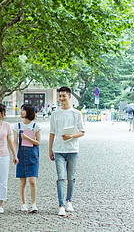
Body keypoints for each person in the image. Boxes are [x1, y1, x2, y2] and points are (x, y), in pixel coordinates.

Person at [49, 87, 85, 216]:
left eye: (63, 96)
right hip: (58, 149)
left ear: (70, 97)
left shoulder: (76, 113)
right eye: (60, 96)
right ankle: (61, 205)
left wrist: (71, 136)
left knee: (71, 178)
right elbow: (52, 132)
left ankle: (69, 201)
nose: (61, 99)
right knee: (61, 178)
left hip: (72, 149)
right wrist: (50, 149)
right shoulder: (55, 114)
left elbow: (82, 132)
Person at [13, 104, 41, 213]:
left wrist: (27, 138)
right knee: (22, 181)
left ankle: (33, 204)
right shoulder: (17, 126)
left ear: (28, 112)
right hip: (21, 155)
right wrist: (15, 155)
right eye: (21, 110)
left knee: (33, 180)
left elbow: (38, 142)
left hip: (33, 155)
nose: (21, 112)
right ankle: (23, 203)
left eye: (23, 110)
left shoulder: (36, 126)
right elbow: (15, 142)